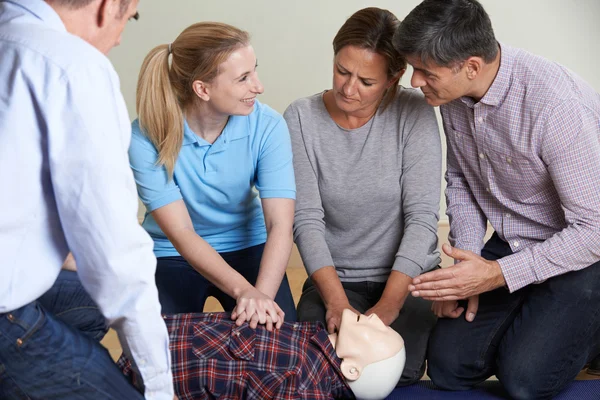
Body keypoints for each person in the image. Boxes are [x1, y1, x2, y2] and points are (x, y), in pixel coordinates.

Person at [394, 1, 600, 398]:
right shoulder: (451, 93)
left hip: (584, 251)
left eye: (425, 72)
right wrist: (467, 265)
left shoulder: (556, 108)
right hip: (514, 243)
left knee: (525, 381)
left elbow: (594, 230)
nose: (415, 81)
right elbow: (461, 178)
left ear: (471, 66)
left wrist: (496, 276)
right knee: (448, 370)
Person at [0, 0, 175, 399]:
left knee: (90, 301)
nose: (119, 38)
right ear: (109, 5)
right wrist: (161, 388)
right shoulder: (72, 67)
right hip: (5, 316)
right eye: (129, 19)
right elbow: (118, 259)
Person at [284, 7, 441, 385]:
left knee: (396, 373)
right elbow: (305, 218)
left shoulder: (414, 111)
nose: (348, 89)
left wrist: (389, 305)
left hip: (408, 279)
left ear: (393, 78)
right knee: (324, 368)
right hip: (337, 280)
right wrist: (337, 303)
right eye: (342, 71)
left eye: (366, 81)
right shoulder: (300, 117)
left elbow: (421, 217)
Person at [130, 21, 296, 328]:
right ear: (202, 89)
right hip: (172, 252)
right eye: (243, 78)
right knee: (159, 349)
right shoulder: (145, 137)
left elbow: (280, 224)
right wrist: (243, 290)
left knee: (278, 336)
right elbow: (182, 233)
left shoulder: (268, 126)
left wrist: (261, 298)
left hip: (248, 244)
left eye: (254, 71)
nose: (258, 87)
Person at [118, 309, 406, 400]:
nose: (377, 319)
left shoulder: (303, 386)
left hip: (145, 369)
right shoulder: (313, 341)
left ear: (352, 370)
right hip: (155, 333)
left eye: (379, 333)